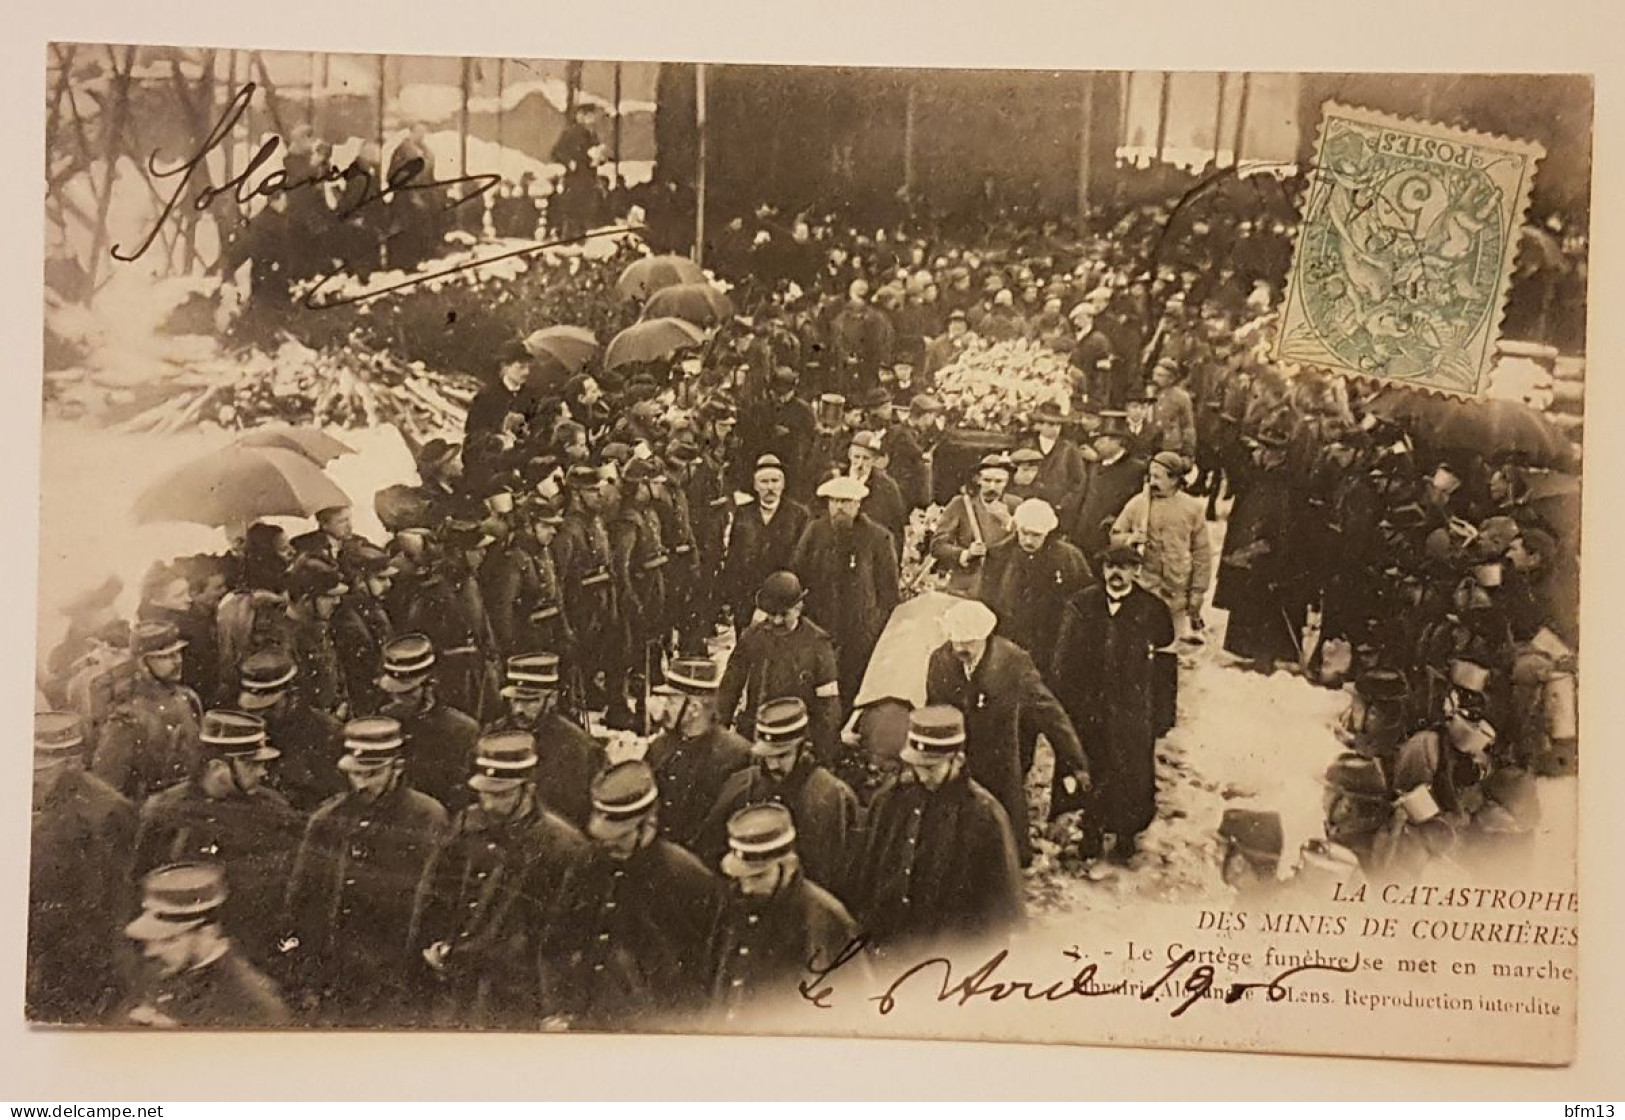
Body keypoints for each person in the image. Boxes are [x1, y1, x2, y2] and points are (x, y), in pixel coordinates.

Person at [410, 732, 589, 1028]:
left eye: (501, 794)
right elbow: (437, 891)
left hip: (519, 993)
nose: (490, 804)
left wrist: (557, 1006)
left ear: (528, 789)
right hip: (459, 984)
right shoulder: (468, 823)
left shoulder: (562, 846)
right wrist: (436, 942)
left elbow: (567, 937)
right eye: (485, 793)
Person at [282, 717, 449, 1026]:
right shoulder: (327, 819)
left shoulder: (428, 818)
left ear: (396, 768)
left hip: (401, 974)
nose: (361, 783)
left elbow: (437, 899)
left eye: (372, 774)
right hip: (341, 973)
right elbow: (303, 897)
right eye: (355, 773)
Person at [539, 760, 726, 1029]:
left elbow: (708, 968)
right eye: (606, 837)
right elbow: (557, 942)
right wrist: (555, 1008)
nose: (610, 844)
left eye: (622, 836)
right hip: (587, 1020)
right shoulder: (588, 863)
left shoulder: (686, 877)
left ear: (649, 823)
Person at [132, 710, 304, 970]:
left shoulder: (273, 810)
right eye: (251, 764)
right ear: (216, 767)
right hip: (184, 956)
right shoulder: (165, 811)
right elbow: (139, 883)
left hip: (252, 955)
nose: (262, 772)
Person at [925, 598, 1090, 868]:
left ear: (985, 637)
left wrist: (1075, 760)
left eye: (968, 642)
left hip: (998, 759)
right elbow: (935, 708)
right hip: (957, 758)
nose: (960, 648)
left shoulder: (1013, 663)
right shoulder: (940, 661)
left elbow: (1049, 713)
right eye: (956, 641)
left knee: (1004, 834)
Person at [851, 705, 1024, 954]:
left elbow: (1000, 915)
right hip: (892, 949)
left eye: (931, 768)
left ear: (958, 761)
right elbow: (867, 876)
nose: (922, 776)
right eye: (916, 766)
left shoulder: (985, 815)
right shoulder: (889, 800)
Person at [1050, 546, 1177, 866]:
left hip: (1132, 711)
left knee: (1130, 773)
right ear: (1103, 569)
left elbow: (1166, 668)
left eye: (1126, 567)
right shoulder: (1081, 605)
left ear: (1137, 571)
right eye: (1111, 567)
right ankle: (1090, 833)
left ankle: (1126, 835)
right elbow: (1062, 662)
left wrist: (1162, 715)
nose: (1117, 575)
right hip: (1089, 710)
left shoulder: (1153, 610)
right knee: (1089, 769)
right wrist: (1064, 707)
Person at [28, 713, 137, 1024]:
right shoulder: (51, 799)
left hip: (82, 945)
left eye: (43, 767)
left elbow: (111, 895)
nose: (35, 777)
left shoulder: (104, 812)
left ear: (71, 763)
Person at [697, 697, 863, 902]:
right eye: (768, 755)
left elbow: (841, 876)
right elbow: (710, 850)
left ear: (803, 748)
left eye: (782, 755)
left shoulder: (830, 796)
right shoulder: (741, 785)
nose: (773, 765)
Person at [710, 802, 862, 1021]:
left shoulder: (823, 916)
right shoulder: (735, 905)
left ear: (788, 865)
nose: (747, 887)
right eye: (740, 876)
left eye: (758, 877)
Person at [119, 862, 291, 1028]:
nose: (151, 952)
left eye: (169, 940)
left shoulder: (254, 1000)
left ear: (208, 933)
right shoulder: (158, 973)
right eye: (150, 940)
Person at [791, 475, 901, 708]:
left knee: (854, 683)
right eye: (834, 502)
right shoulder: (815, 532)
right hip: (821, 623)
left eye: (845, 502)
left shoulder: (878, 537)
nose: (839, 507)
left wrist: (875, 624)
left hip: (860, 628)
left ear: (857, 504)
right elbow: (798, 574)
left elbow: (888, 591)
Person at [716, 571, 842, 765]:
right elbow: (729, 690)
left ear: (799, 607)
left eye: (784, 614)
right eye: (771, 614)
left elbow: (828, 709)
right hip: (756, 740)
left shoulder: (818, 645)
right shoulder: (753, 638)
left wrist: (824, 757)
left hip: (795, 746)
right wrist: (719, 739)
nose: (776, 621)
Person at [483, 652, 604, 829]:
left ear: (552, 699)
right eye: (514, 700)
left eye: (529, 701)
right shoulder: (491, 736)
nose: (518, 710)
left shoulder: (580, 747)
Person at [554, 464, 635, 727]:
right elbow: (560, 581)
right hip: (581, 606)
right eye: (592, 491)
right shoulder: (568, 529)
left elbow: (609, 560)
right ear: (577, 493)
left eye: (599, 490)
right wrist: (565, 622)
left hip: (603, 601)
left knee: (618, 651)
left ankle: (618, 707)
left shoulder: (597, 520)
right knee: (577, 662)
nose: (599, 496)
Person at [643, 656, 752, 850]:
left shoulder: (735, 756)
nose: (664, 707)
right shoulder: (659, 748)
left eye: (672, 701)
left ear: (694, 709)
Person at [1216, 428, 1302, 669]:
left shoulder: (1282, 484)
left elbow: (1281, 527)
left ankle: (1265, 657)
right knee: (1248, 599)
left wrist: (1253, 549)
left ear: (1278, 455)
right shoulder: (1259, 477)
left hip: (1265, 556)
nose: (1260, 453)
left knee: (1263, 605)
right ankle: (1246, 651)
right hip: (1250, 551)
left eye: (1266, 449)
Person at [91, 619, 203, 804]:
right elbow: (109, 786)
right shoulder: (128, 717)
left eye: (177, 653)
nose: (177, 661)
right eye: (165, 656)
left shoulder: (188, 698)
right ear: (143, 663)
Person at [982, 498, 1094, 675]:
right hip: (1010, 636)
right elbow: (986, 600)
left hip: (1051, 639)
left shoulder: (1068, 558)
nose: (1028, 540)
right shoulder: (1000, 554)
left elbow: (1086, 600)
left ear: (1048, 533)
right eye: (1024, 533)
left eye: (1036, 535)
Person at [1111, 450, 1213, 643]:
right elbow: (1115, 535)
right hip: (1144, 585)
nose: (1151, 481)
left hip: (1176, 588)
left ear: (1174, 479)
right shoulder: (1138, 504)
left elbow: (1202, 553)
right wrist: (1130, 539)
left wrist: (1198, 591)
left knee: (1170, 643)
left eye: (1157, 477)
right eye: (1150, 476)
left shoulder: (1192, 508)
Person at [376, 633, 482, 815]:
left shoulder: (461, 730)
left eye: (406, 693)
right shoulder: (384, 721)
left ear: (429, 685)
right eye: (393, 693)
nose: (397, 700)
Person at [236, 647, 345, 813]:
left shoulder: (327, 733)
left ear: (292, 697)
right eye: (252, 710)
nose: (260, 717)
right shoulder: (241, 731)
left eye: (270, 708)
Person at [722, 454, 811, 633]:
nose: (770, 487)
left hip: (784, 602)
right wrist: (732, 599)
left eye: (775, 481)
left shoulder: (798, 515)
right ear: (755, 485)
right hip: (747, 600)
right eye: (764, 482)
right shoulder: (744, 513)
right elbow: (734, 558)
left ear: (783, 484)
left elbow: (801, 562)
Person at [930, 454, 1017, 596]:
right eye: (987, 480)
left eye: (999, 481)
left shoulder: (1016, 506)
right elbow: (937, 546)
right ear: (978, 480)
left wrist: (1009, 522)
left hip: (1002, 588)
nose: (992, 487)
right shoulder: (961, 504)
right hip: (967, 587)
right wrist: (965, 553)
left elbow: (1027, 543)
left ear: (1007, 482)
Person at [1066, 412, 1146, 557]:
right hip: (1083, 539)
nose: (1096, 444)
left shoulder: (1136, 470)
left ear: (1118, 442)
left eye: (1102, 440)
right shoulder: (1094, 466)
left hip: (1110, 543)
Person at [331, 543, 397, 718]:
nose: (388, 584)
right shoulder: (348, 621)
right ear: (360, 580)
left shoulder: (371, 607)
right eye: (380, 579)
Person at [284, 557, 350, 716]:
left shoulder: (318, 625)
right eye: (329, 597)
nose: (337, 601)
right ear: (306, 600)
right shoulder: (284, 641)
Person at [846, 429, 908, 548]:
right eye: (856, 457)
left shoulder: (887, 487)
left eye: (866, 458)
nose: (860, 463)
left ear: (874, 460)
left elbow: (896, 529)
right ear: (849, 455)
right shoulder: (836, 479)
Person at [885, 393, 946, 511]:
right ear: (924, 416)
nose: (932, 421)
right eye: (932, 416)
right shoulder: (903, 435)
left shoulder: (911, 432)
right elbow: (919, 455)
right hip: (903, 492)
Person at [1028, 401, 1088, 513]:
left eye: (1058, 425)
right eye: (1051, 424)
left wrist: (1064, 503)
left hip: (1057, 508)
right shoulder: (1028, 445)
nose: (1055, 429)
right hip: (1029, 504)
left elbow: (1079, 480)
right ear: (1040, 425)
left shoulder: (1069, 448)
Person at [1149, 357, 1199, 458]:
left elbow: (1188, 426)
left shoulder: (1181, 397)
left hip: (1171, 446)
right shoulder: (1148, 394)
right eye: (1154, 374)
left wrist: (1188, 451)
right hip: (1150, 445)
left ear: (1171, 379)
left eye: (1160, 376)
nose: (1155, 379)